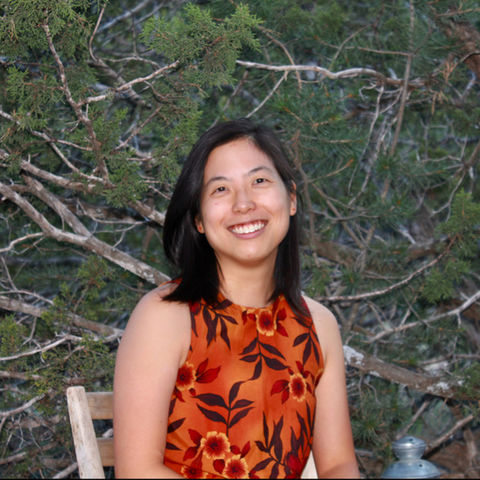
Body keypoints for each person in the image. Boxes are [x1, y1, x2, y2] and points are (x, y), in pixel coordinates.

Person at [113, 118, 359, 478]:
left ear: (291, 198)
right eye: (220, 189)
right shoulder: (165, 317)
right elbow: (136, 471)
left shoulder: (317, 326)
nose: (243, 203)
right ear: (198, 219)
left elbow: (339, 464)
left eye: (259, 181)